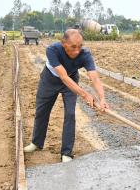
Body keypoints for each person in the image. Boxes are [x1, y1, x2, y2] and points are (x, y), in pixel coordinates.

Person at [23, 29, 109, 162]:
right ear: (63, 43)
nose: (77, 51)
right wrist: (85, 94)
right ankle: (36, 143)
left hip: (71, 80)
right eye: (73, 47)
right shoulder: (53, 50)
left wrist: (102, 99)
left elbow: (95, 78)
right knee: (42, 112)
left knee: (70, 114)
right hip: (50, 80)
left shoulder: (85, 54)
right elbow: (62, 76)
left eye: (80, 46)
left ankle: (66, 153)